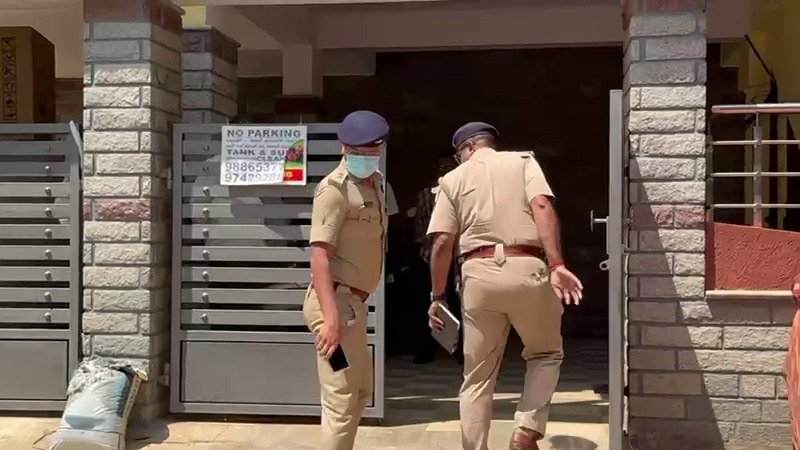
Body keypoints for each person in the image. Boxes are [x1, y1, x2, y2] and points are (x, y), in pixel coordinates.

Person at [426, 122, 583, 450]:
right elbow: (543, 206)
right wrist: (557, 265)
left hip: (477, 276)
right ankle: (526, 428)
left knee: (477, 377)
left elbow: (441, 242)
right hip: (527, 268)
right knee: (545, 353)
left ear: (468, 148)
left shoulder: (452, 180)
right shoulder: (523, 162)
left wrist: (437, 296)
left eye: (458, 154)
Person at [303, 110, 389, 450]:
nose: (365, 158)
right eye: (357, 153)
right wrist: (331, 319)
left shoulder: (375, 184)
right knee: (341, 396)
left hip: (352, 309)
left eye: (371, 152)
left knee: (360, 390)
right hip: (333, 309)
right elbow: (320, 255)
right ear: (343, 148)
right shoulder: (333, 190)